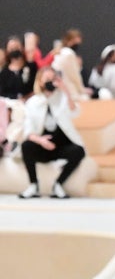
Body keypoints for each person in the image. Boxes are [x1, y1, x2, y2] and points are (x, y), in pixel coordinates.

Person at [17, 67, 86, 199]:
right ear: (40, 82)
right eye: (47, 79)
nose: (51, 82)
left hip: (60, 146)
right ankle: (33, 185)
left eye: (53, 79)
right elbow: (28, 130)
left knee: (79, 151)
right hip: (42, 146)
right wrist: (41, 141)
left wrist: (65, 90)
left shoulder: (63, 99)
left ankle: (58, 184)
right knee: (26, 146)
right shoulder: (33, 102)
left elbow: (75, 111)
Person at [51, 28, 91, 101]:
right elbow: (74, 75)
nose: (80, 42)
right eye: (78, 39)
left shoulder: (61, 52)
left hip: (61, 91)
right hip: (70, 92)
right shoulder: (68, 53)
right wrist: (82, 90)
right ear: (72, 40)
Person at [0, 35, 37, 100]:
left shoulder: (31, 67)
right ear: (6, 50)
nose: (14, 50)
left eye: (17, 47)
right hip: (11, 104)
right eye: (11, 48)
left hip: (30, 102)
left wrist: (26, 98)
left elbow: (37, 86)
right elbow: (2, 93)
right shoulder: (4, 72)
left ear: (22, 48)